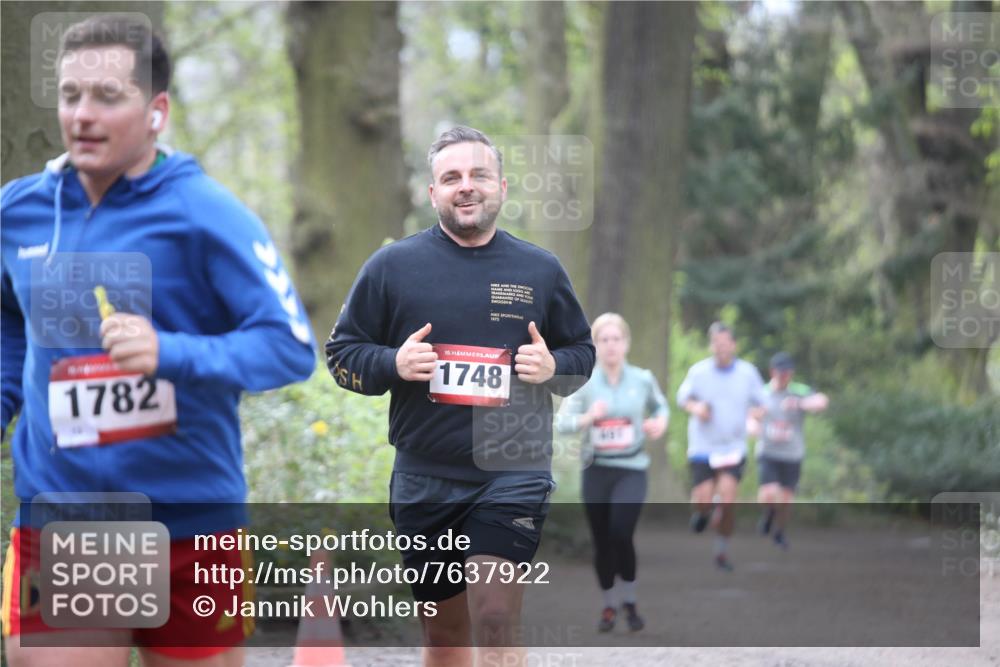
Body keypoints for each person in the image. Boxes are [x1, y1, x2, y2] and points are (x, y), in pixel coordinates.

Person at [1, 14, 316, 666]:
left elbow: (288, 347)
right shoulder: (20, 213)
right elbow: (8, 320)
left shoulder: (207, 213)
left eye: (108, 97)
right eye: (70, 96)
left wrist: (171, 352)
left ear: (157, 111)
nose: (82, 115)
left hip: (191, 524)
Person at [325, 126, 594, 666]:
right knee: (445, 635)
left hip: (512, 470)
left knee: (495, 617)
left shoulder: (539, 270)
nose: (466, 187)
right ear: (432, 193)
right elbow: (342, 355)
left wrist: (553, 366)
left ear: (502, 187)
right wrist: (393, 363)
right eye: (451, 178)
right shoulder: (391, 268)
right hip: (425, 475)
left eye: (478, 175)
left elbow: (581, 355)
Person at [556, 313, 668, 633]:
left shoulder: (642, 379)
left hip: (631, 468)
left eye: (616, 339)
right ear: (596, 345)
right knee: (602, 541)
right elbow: (562, 423)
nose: (610, 346)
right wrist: (588, 417)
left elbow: (661, 407)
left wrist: (658, 422)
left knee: (621, 532)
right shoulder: (586, 383)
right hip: (597, 470)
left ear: (626, 343)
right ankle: (609, 604)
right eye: (603, 340)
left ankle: (629, 600)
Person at [676, 322, 765, 571]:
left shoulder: (748, 373)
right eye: (716, 344)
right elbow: (683, 398)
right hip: (703, 446)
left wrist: (756, 416)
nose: (721, 349)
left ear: (734, 345)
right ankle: (703, 512)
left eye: (725, 345)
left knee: (728, 500)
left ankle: (722, 551)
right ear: (711, 345)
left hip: (733, 446)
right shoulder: (698, 372)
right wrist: (697, 408)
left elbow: (762, 403)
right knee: (703, 499)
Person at [749, 352, 829, 549]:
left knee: (785, 498)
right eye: (780, 372)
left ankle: (779, 532)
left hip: (792, 454)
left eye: (787, 373)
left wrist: (800, 404)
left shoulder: (798, 391)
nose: (784, 376)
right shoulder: (762, 392)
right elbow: (750, 415)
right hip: (768, 451)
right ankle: (768, 514)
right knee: (769, 492)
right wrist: (753, 424)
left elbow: (821, 401)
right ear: (772, 372)